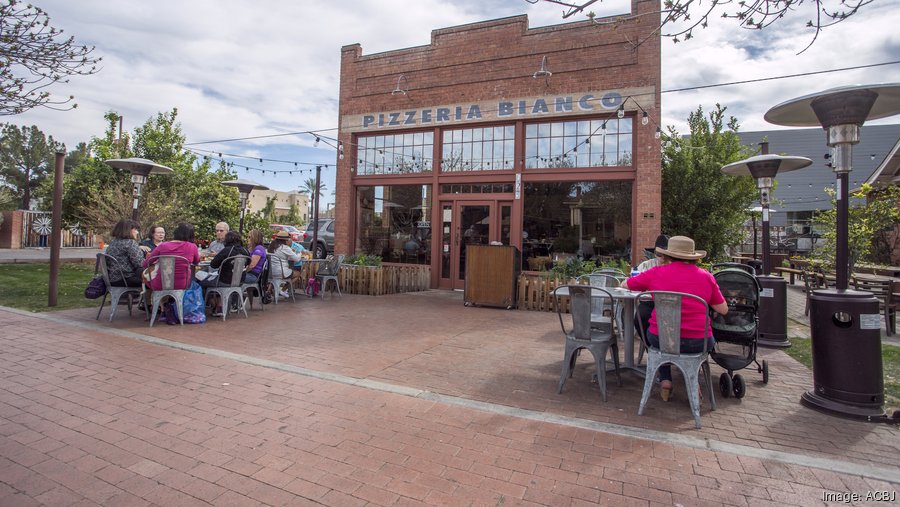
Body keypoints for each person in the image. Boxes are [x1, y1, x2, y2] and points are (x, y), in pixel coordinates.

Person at [621, 236, 728, 401]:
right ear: (693, 257)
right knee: (695, 347)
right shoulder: (706, 277)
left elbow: (626, 285)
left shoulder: (656, 273)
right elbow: (723, 309)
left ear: (667, 255)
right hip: (698, 342)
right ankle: (692, 380)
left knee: (661, 341)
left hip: (661, 339)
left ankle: (665, 379)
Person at [200, 231, 250, 316]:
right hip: (240, 281)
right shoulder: (245, 250)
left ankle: (213, 305)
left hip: (224, 281)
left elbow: (213, 264)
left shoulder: (227, 250)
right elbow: (248, 262)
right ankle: (220, 306)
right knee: (218, 281)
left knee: (200, 282)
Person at [142, 222, 201, 291]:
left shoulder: (163, 246)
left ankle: (154, 300)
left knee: (145, 277)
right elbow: (197, 262)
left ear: (175, 233)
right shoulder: (192, 246)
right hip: (182, 285)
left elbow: (146, 264)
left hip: (161, 284)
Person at [104, 219, 145, 287]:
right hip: (125, 279)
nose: (137, 232)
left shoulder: (114, 242)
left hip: (112, 279)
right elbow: (140, 263)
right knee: (157, 281)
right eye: (135, 229)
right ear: (128, 230)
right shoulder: (130, 243)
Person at [267, 230, 302, 298]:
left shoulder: (271, 246)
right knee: (298, 274)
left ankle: (269, 291)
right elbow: (297, 259)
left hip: (270, 272)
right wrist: (299, 253)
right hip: (281, 272)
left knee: (275, 277)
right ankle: (282, 290)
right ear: (285, 240)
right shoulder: (284, 248)